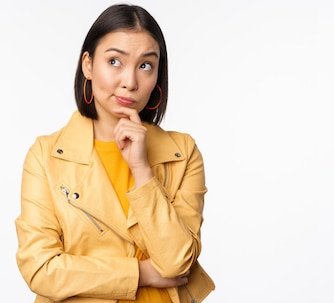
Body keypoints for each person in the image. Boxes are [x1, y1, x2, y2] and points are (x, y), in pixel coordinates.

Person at [15, 4, 215, 303]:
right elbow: (41, 269)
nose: (130, 81)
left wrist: (141, 169)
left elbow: (177, 262)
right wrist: (140, 274)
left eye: (145, 65)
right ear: (88, 65)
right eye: (114, 61)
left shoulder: (181, 152)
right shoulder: (46, 156)